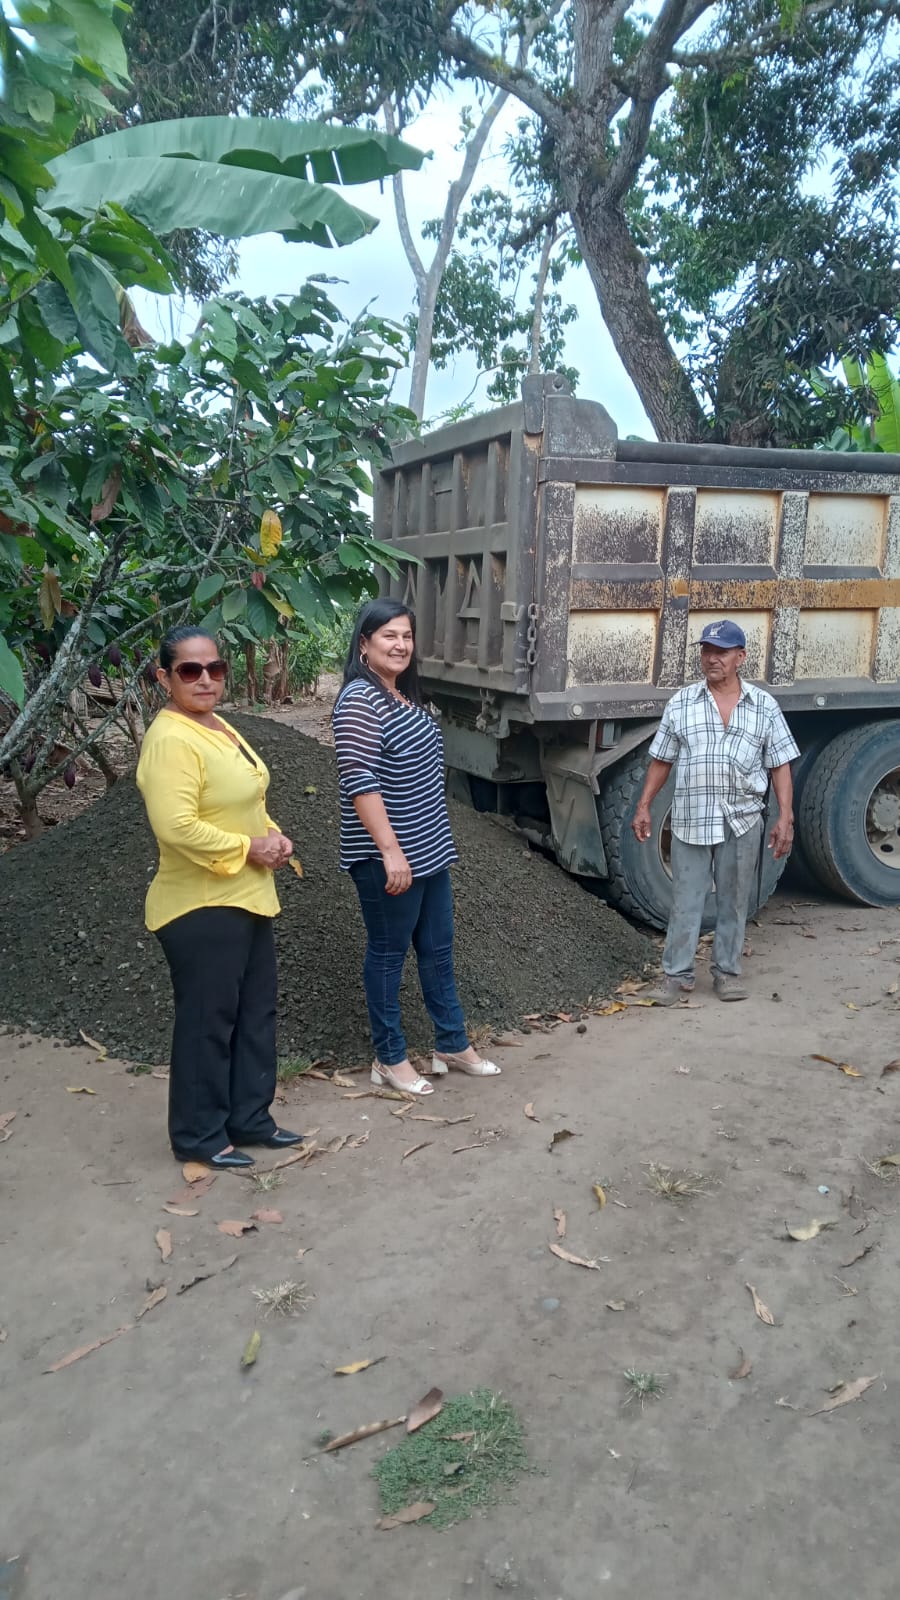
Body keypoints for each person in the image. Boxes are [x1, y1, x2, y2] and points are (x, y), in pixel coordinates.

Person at [136, 626, 302, 1167]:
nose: (205, 679)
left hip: (248, 895)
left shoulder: (217, 725)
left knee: (255, 1014)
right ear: (164, 678)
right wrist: (249, 847)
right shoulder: (170, 739)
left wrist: (272, 834)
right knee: (209, 1022)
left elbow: (245, 796)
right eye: (190, 670)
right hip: (201, 905)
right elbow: (176, 826)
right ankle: (200, 1136)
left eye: (216, 668)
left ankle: (249, 1118)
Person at [332, 597, 500, 1096]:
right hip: (389, 858)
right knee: (388, 954)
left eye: (406, 636)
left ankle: (451, 1044)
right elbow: (360, 780)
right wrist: (390, 850)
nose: (401, 645)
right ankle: (389, 1058)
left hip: (428, 851)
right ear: (364, 644)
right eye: (389, 635)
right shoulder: (359, 700)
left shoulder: (402, 696)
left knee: (437, 950)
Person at [631, 619, 799, 1004]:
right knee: (685, 901)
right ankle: (676, 976)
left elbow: (780, 765)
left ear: (741, 657)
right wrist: (643, 806)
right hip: (692, 818)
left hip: (742, 820)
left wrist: (785, 815)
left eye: (721, 652)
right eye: (707, 650)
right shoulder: (682, 703)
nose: (712, 659)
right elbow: (661, 760)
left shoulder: (764, 707)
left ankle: (727, 972)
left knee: (734, 901)